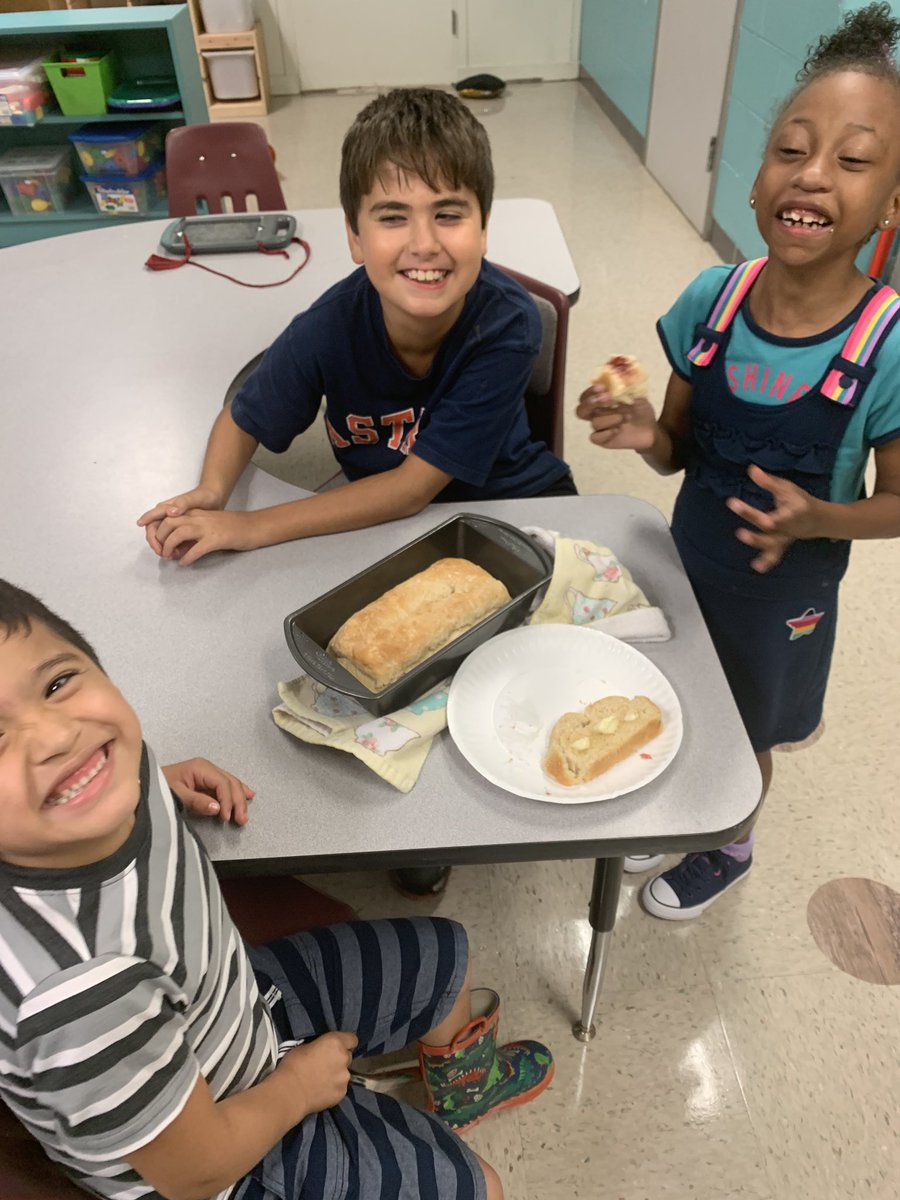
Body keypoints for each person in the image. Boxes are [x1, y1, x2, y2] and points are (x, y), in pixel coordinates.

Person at [138, 86, 574, 899]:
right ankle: (412, 815)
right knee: (367, 669)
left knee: (500, 682)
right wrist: (211, 491)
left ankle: (446, 820)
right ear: (352, 235)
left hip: (509, 511)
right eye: (392, 217)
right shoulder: (330, 323)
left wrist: (249, 528)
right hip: (385, 527)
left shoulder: (506, 322)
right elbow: (244, 413)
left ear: (484, 226)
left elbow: (411, 490)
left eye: (450, 214)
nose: (424, 244)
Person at [0, 578, 554, 1200]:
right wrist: (296, 1089)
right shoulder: (79, 998)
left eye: (56, 683)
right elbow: (196, 1171)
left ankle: (464, 1089)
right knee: (483, 1188)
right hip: (223, 1159)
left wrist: (147, 780)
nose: (58, 737)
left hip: (230, 1008)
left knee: (443, 957)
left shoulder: (102, 771)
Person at [576, 3, 900, 919]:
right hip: (689, 563)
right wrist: (647, 433)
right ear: (755, 183)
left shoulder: (886, 346)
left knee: (748, 725)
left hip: (784, 600)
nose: (813, 172)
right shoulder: (710, 303)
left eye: (854, 159)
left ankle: (729, 842)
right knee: (681, 690)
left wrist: (821, 517)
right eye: (790, 149)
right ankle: (689, 803)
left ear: (893, 202)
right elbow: (679, 451)